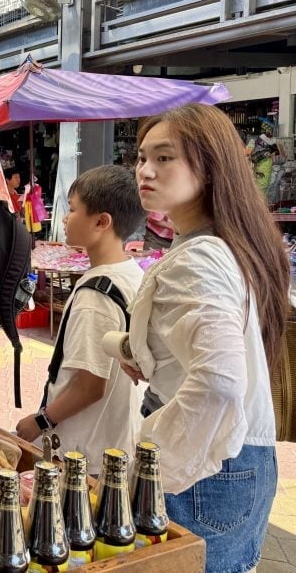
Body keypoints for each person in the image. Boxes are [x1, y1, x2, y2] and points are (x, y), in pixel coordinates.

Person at [125, 104, 288, 572]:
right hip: (236, 457)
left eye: (164, 157)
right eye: (140, 157)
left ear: (211, 166)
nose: (145, 170)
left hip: (204, 466)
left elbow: (219, 382)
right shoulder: (228, 243)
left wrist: (156, 454)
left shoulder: (200, 257)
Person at [15, 165, 145, 471]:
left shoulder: (94, 297)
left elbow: (90, 386)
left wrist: (40, 420)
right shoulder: (130, 273)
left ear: (101, 221)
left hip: (84, 454)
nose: (64, 217)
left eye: (72, 210)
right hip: (112, 442)